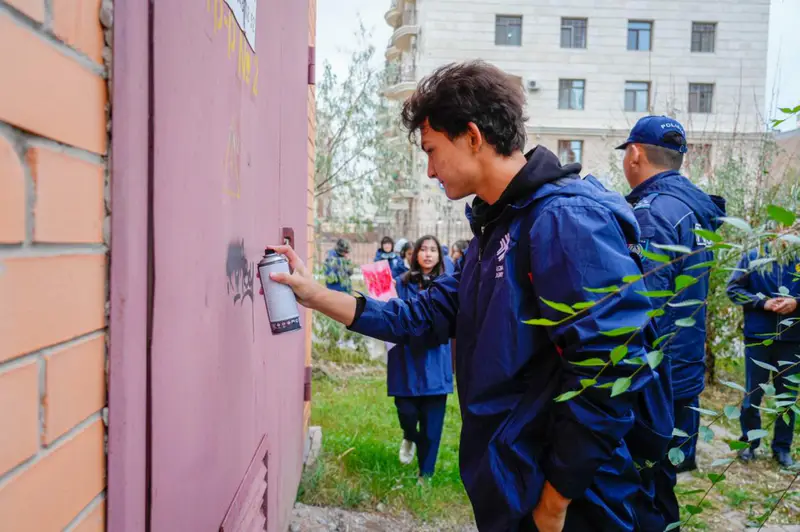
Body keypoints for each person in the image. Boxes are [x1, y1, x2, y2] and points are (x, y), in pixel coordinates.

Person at [267, 61, 668, 532]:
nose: (430, 170)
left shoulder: (563, 220)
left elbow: (611, 361)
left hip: (568, 500)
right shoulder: (494, 230)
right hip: (513, 480)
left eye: (432, 151)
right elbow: (419, 316)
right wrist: (315, 294)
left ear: (473, 136)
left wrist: (556, 498)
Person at [619, 115, 726, 526]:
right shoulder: (693, 209)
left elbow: (644, 304)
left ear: (635, 154)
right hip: (684, 371)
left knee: (642, 489)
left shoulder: (653, 213)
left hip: (656, 379)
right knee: (662, 483)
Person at [727, 247, 800, 468]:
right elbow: (734, 289)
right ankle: (749, 443)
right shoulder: (753, 257)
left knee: (787, 397)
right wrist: (763, 303)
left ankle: (782, 448)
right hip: (758, 337)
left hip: (793, 339)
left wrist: (797, 302)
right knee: (753, 394)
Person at [391, 235, 453, 480]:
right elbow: (385, 306)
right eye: (423, 249)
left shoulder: (448, 285)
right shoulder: (401, 282)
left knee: (432, 425)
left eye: (433, 250)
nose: (428, 254)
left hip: (435, 358)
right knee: (406, 411)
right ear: (415, 253)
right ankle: (409, 435)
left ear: (439, 255)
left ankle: (425, 475)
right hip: (406, 358)